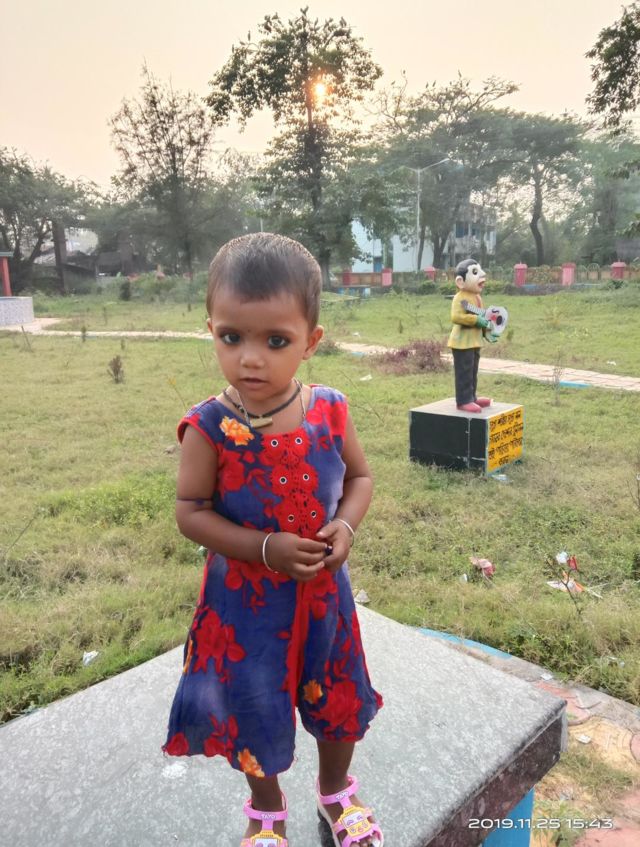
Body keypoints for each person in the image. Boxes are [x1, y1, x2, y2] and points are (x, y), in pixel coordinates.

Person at [162, 233, 383, 847]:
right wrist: (266, 549)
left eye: (276, 341)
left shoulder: (331, 411)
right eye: (232, 337)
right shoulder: (210, 427)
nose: (250, 359)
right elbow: (190, 512)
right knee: (254, 705)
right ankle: (266, 810)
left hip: (323, 599)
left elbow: (360, 479)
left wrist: (345, 526)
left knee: (337, 696)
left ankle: (336, 791)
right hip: (245, 608)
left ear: (311, 341)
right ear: (211, 329)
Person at [447, 258, 498, 413]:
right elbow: (456, 317)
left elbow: (483, 317)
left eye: (480, 270)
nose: (482, 274)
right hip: (462, 343)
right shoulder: (460, 298)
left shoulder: (477, 298)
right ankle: (463, 400)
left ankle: (472, 397)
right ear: (460, 282)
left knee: (472, 371)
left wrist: (488, 331)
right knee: (464, 371)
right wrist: (476, 320)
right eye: (475, 272)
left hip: (475, 342)